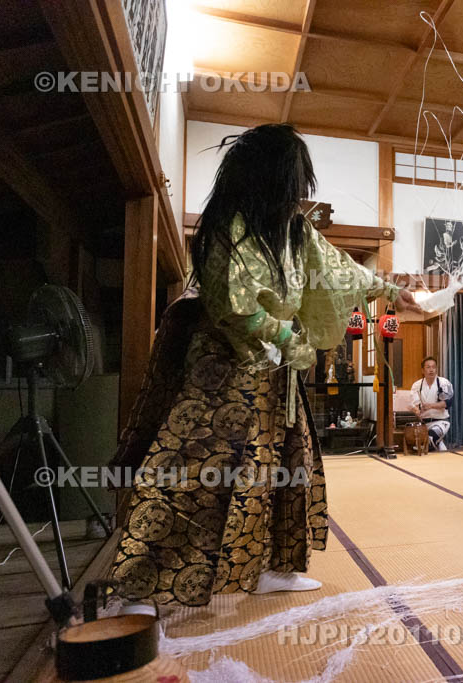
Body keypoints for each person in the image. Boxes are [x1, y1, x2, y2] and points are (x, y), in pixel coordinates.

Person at [108, 124, 422, 606]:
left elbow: (341, 270)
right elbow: (233, 305)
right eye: (296, 182)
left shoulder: (294, 233)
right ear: (271, 178)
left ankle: (273, 566)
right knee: (196, 469)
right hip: (221, 370)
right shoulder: (227, 228)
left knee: (286, 467)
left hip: (277, 375)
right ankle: (139, 587)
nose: (301, 193)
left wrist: (393, 291)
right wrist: (285, 336)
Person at [410, 356, 454, 451]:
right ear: (422, 370)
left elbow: (448, 402)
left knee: (431, 437)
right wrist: (416, 410)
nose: (431, 370)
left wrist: (430, 406)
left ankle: (432, 442)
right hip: (424, 423)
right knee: (435, 445)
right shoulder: (416, 385)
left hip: (441, 422)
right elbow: (415, 404)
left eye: (433, 367)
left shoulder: (444, 383)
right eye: (428, 367)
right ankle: (438, 444)